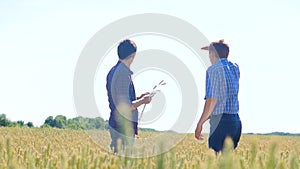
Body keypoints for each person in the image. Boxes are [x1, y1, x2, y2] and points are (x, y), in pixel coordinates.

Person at [195, 39, 242, 153]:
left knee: (215, 160)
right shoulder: (235, 68)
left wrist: (200, 123)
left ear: (212, 54)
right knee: (228, 162)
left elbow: (212, 99)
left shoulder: (213, 70)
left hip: (220, 123)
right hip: (235, 121)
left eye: (209, 54)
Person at [106, 39, 152, 153]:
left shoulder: (113, 71)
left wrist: (139, 97)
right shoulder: (123, 73)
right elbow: (125, 106)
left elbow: (119, 100)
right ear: (133, 55)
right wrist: (143, 101)